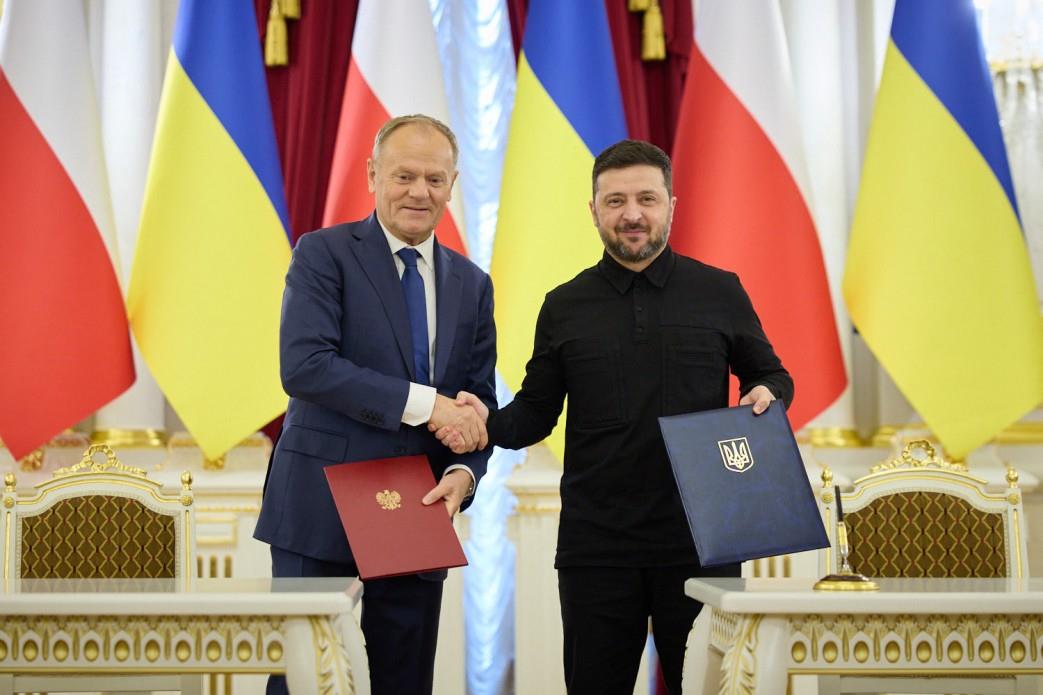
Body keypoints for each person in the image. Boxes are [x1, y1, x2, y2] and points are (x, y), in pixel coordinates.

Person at [436, 139, 793, 694]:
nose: (632, 214)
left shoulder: (720, 291)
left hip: (703, 541)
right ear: (594, 210)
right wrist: (483, 422)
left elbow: (771, 376)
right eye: (616, 201)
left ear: (671, 205)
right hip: (597, 547)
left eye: (647, 199)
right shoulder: (564, 305)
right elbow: (534, 414)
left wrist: (765, 392)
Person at [255, 114, 495, 695]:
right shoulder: (323, 254)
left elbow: (477, 401)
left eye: (434, 179)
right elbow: (305, 366)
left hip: (417, 508)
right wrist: (428, 406)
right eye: (404, 176)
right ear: (372, 175)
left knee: (404, 680)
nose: (419, 192)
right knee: (304, 679)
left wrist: (464, 473)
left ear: (453, 184)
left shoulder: (472, 283)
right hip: (319, 503)